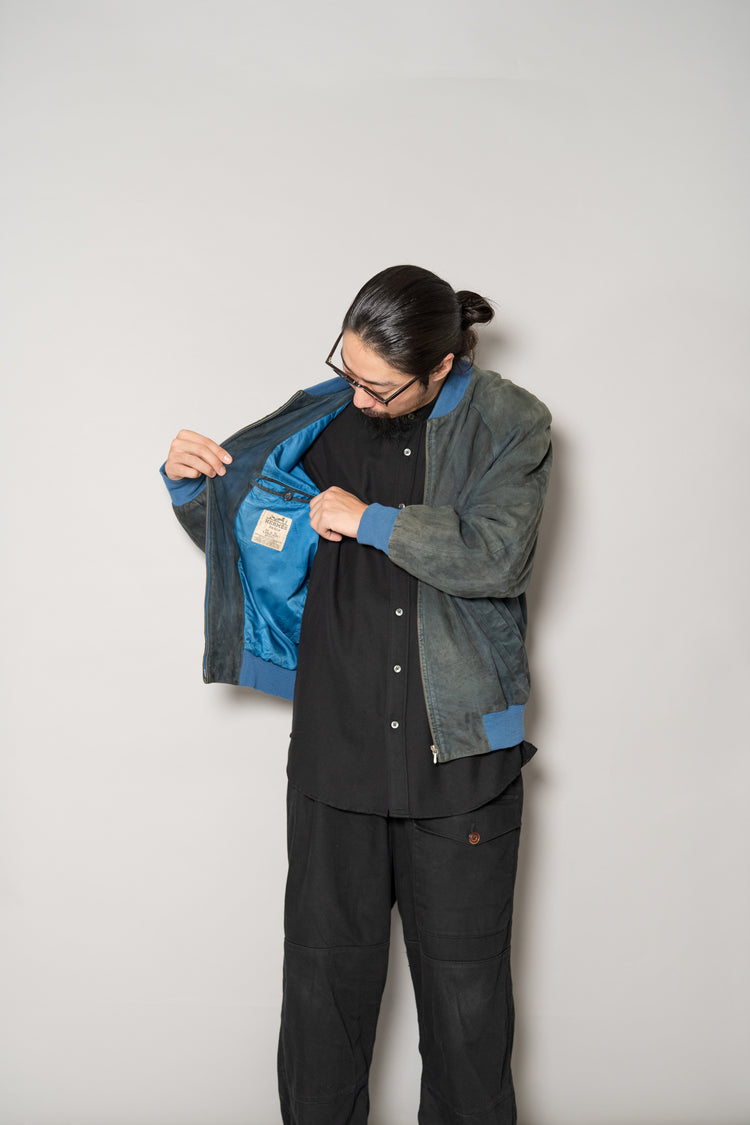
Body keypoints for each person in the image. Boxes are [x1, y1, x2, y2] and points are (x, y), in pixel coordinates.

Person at [161, 264, 552, 1125]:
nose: (360, 398)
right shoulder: (328, 411)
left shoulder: (512, 421)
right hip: (334, 761)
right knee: (321, 1007)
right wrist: (192, 482)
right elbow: (255, 523)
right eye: (348, 372)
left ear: (441, 365)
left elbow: (499, 554)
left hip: (462, 769)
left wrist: (369, 519)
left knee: (468, 1015)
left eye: (380, 386)